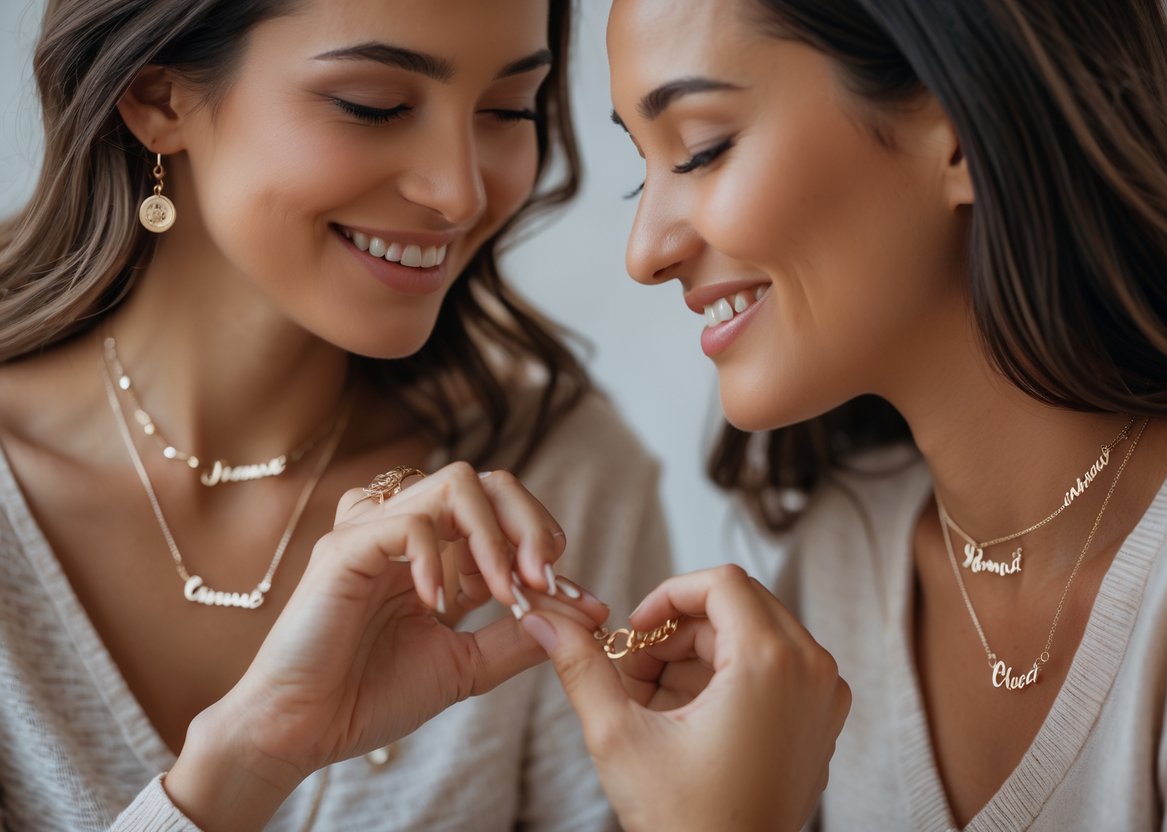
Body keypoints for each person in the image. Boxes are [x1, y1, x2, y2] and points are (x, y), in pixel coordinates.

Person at [519, 0, 1167, 829]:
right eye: (644, 167)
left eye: (702, 150)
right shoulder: (841, 558)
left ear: (959, 128)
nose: (645, 251)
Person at [0, 1, 670, 829]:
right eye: (374, 106)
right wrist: (245, 762)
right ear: (158, 99)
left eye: (506, 111)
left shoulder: (557, 480)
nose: (458, 191)